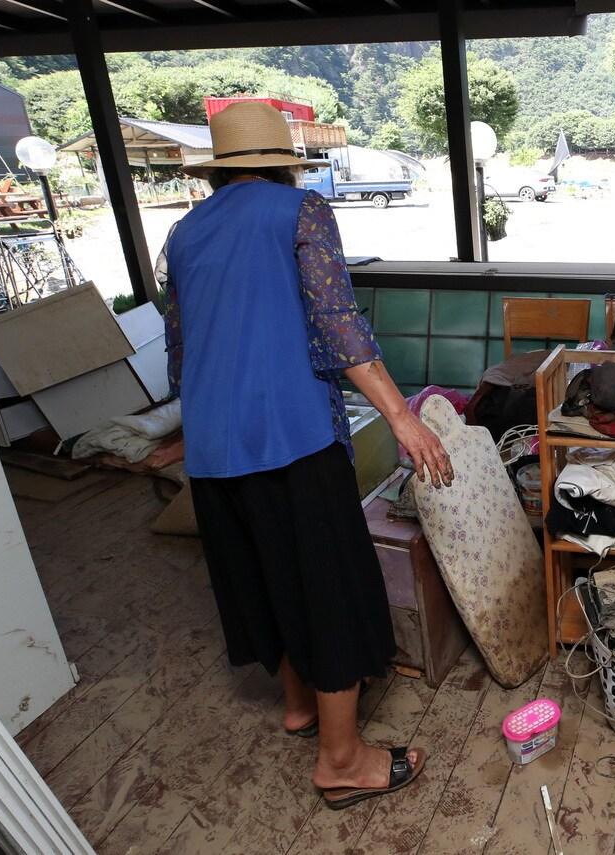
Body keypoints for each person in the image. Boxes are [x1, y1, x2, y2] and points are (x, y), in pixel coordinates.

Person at [158, 101, 452, 810]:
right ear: (286, 163)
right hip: (290, 437)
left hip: (213, 445)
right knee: (327, 587)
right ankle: (343, 758)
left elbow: (179, 348)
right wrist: (401, 416)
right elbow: (337, 322)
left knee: (264, 573)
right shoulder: (301, 213)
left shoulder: (185, 230)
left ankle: (298, 705)